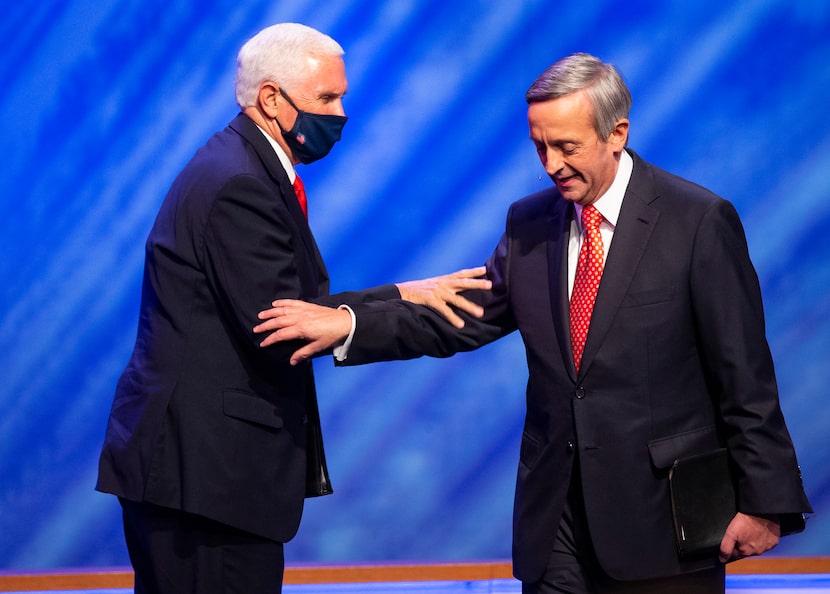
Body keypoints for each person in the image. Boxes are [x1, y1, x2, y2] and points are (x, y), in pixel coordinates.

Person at [254, 52, 812, 593]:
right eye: (539, 146)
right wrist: (348, 326)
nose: (551, 165)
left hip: (664, 522)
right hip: (557, 527)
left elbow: (744, 375)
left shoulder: (696, 221)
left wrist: (765, 502)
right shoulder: (531, 222)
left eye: (566, 147)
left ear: (616, 133)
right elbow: (460, 319)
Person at [95, 22, 489, 594]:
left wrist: (402, 293)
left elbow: (295, 305)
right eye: (327, 99)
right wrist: (373, 317)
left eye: (342, 96)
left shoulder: (243, 164)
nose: (342, 113)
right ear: (272, 99)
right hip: (205, 484)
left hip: (201, 480)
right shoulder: (239, 184)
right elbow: (286, 325)